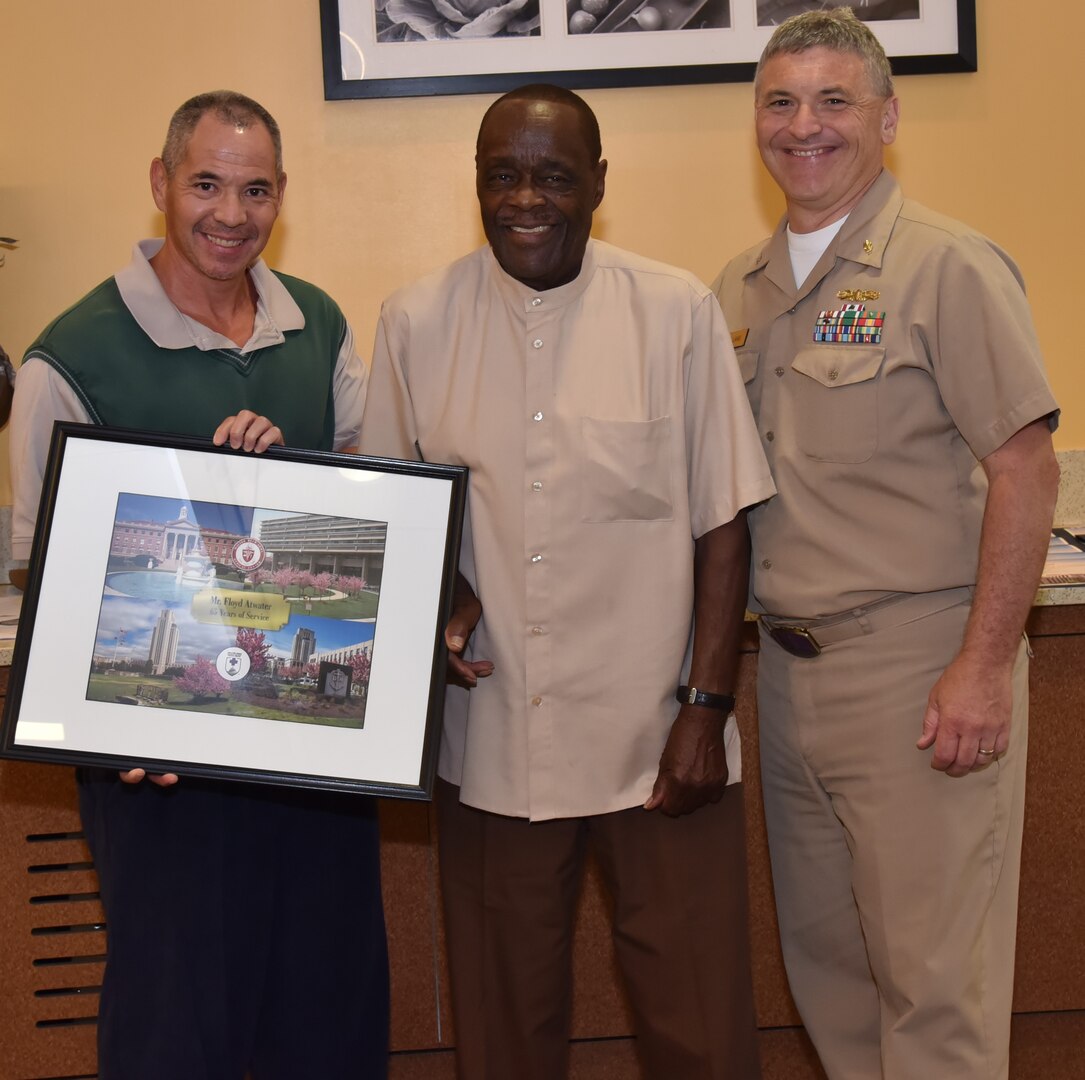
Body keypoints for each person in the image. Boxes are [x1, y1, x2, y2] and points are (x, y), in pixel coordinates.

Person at [360, 84, 776, 1080]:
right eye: (500, 174)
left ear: (596, 182)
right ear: (476, 185)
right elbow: (394, 527)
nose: (524, 197)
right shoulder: (415, 321)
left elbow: (725, 525)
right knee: (504, 1035)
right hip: (494, 742)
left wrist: (703, 709)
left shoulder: (674, 311)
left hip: (657, 744)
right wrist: (444, 603)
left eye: (551, 173)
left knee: (700, 1030)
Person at [9, 91, 389, 1080]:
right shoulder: (70, 357)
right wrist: (112, 728)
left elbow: (366, 503)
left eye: (254, 189)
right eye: (207, 183)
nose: (231, 213)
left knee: (326, 1001)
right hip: (159, 767)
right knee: (179, 1015)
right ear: (160, 183)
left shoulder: (321, 326)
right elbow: (33, 569)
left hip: (308, 752)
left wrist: (290, 476)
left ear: (280, 197)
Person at [712, 11, 1059, 1079]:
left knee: (933, 992)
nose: (801, 125)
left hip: (918, 670)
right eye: (779, 101)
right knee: (830, 976)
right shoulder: (738, 292)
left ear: (887, 118)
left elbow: (1024, 468)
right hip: (788, 676)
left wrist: (981, 666)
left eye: (832, 101)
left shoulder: (945, 267)